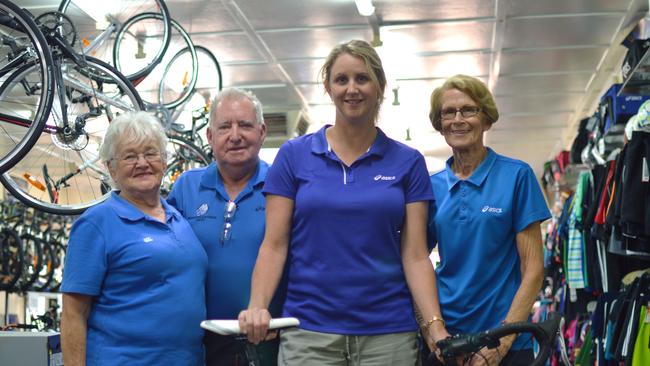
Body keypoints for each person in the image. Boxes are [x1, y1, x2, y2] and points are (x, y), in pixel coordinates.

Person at [238, 39, 449, 365]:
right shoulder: (293, 156)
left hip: (388, 334)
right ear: (329, 87)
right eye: (342, 79)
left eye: (362, 78)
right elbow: (274, 245)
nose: (352, 89)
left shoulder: (407, 162)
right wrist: (257, 306)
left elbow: (416, 255)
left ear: (379, 86)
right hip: (308, 333)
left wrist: (435, 327)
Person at [60, 111, 207, 366]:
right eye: (130, 156)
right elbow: (73, 314)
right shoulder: (96, 223)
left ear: (163, 160)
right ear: (111, 168)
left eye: (150, 153)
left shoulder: (178, 217)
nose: (142, 163)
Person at [427, 74, 551, 365]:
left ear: (486, 119)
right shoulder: (430, 187)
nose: (458, 119)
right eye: (448, 112)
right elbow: (415, 262)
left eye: (469, 110)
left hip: (506, 337)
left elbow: (533, 269)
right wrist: (434, 334)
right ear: (439, 123)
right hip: (449, 340)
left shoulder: (516, 176)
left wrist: (502, 343)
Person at [168, 87, 285, 365]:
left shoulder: (282, 187)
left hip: (267, 340)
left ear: (262, 131)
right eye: (224, 127)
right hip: (200, 342)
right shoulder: (186, 187)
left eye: (245, 125)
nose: (235, 136)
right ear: (210, 136)